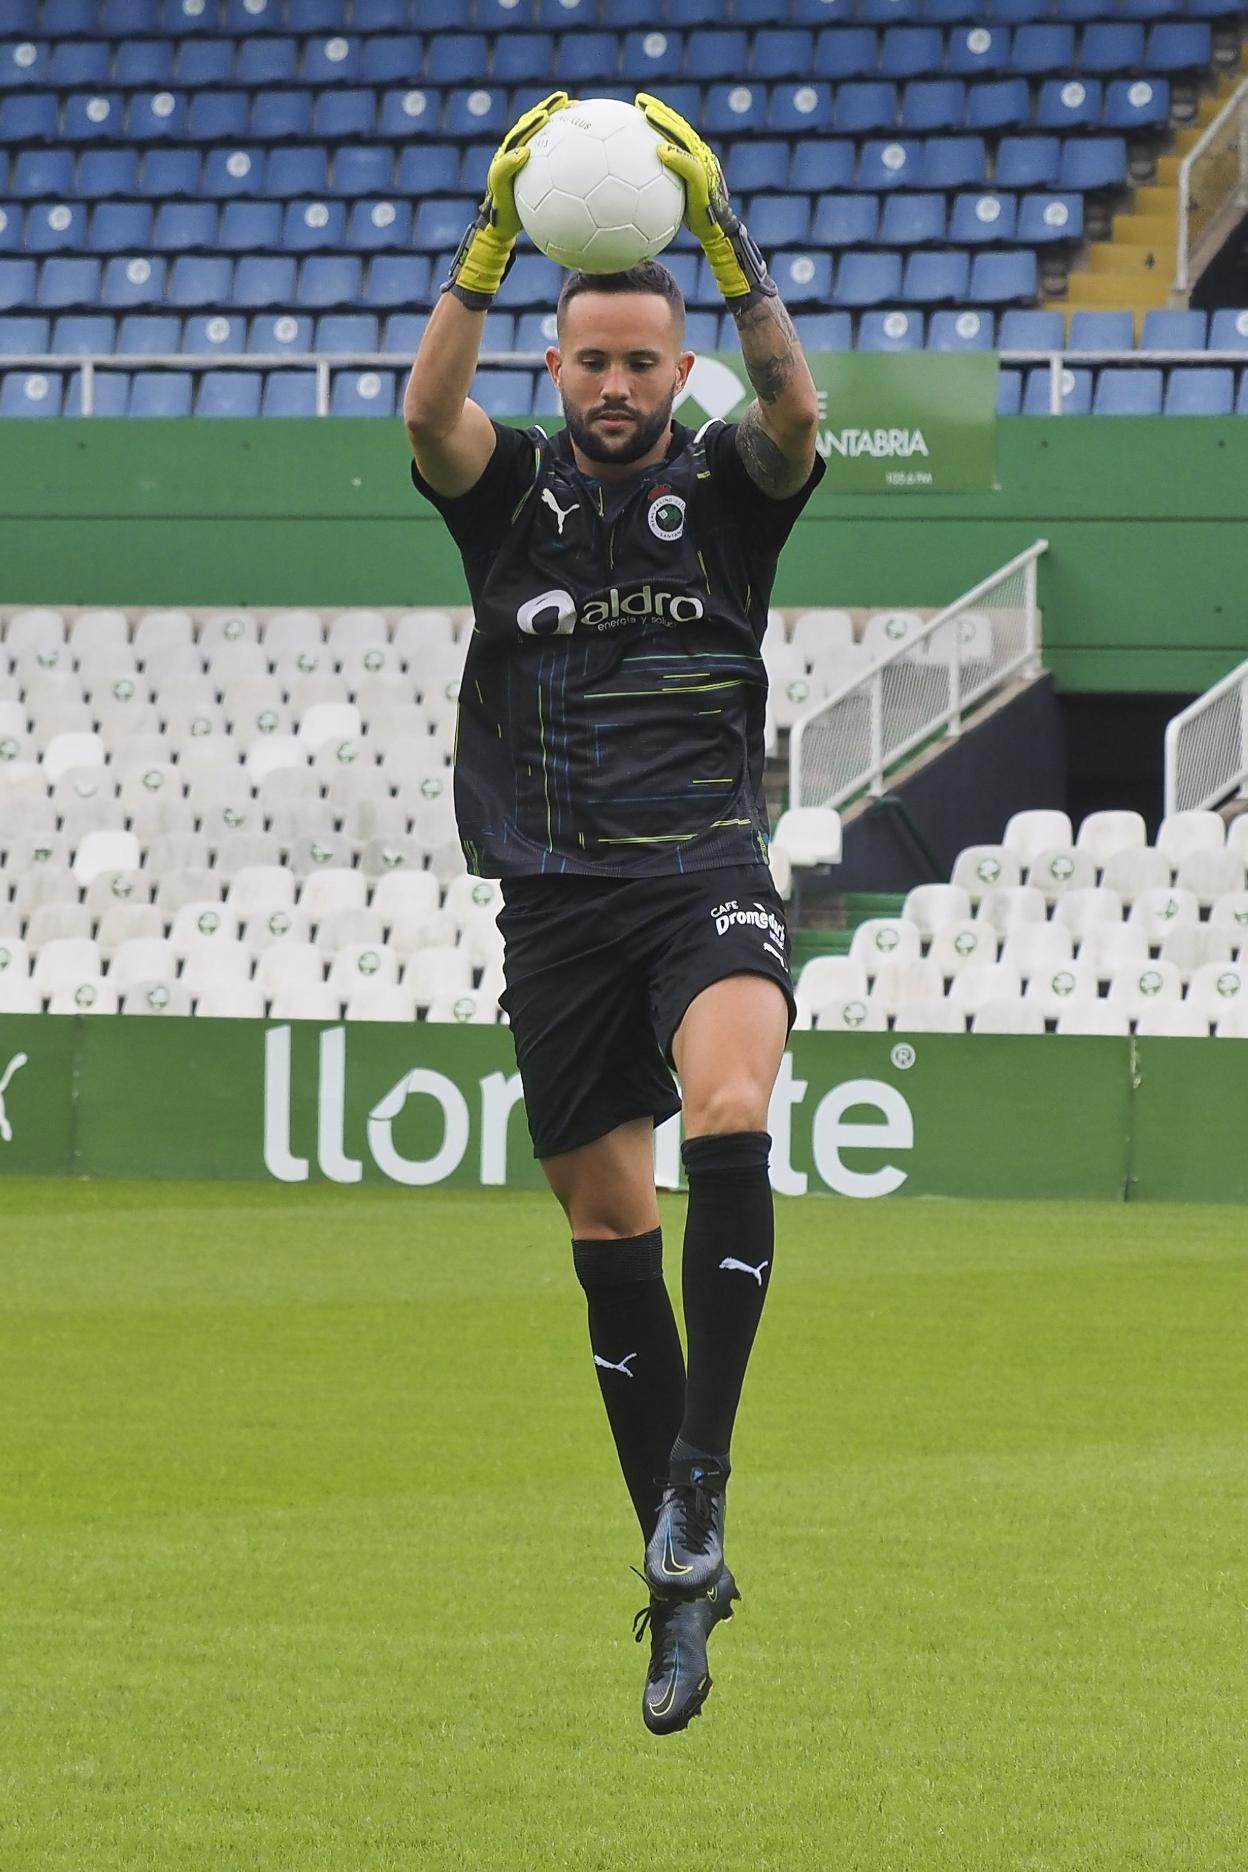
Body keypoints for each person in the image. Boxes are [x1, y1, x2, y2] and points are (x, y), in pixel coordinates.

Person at [404, 90, 825, 1735]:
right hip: (554, 897)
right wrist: (491, 240)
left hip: (705, 864)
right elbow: (425, 408)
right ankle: (677, 1582)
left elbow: (795, 404)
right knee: (604, 1231)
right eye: (592, 360)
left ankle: (703, 1479)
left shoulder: (732, 487)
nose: (619, 384)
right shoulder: (501, 493)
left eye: (646, 361)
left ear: (675, 371)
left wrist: (727, 246)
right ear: (559, 367)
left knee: (729, 1102)